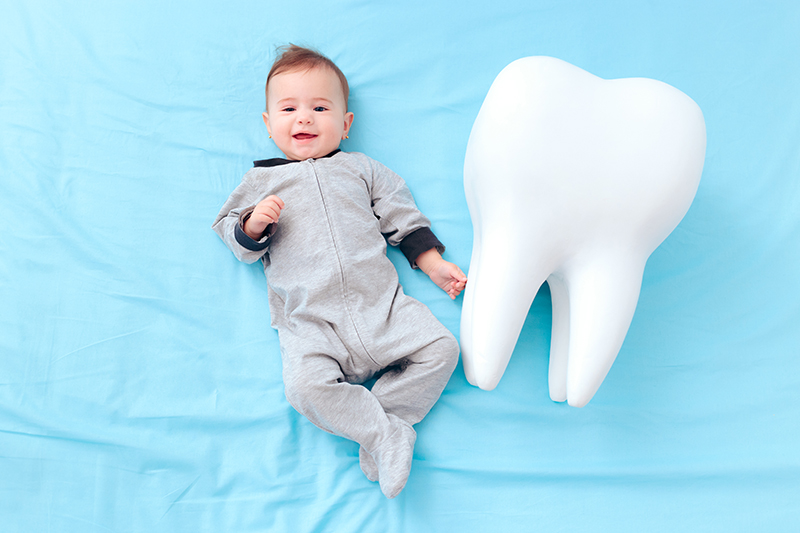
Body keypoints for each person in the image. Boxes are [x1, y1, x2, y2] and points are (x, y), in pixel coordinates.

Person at [212, 44, 466, 499]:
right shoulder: (259, 183)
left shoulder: (362, 170)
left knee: (444, 350)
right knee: (305, 389)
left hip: (382, 309)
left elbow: (403, 219)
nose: (304, 119)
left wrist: (434, 265)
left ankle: (383, 427)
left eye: (319, 107)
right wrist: (254, 224)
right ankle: (385, 434)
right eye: (288, 109)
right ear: (269, 125)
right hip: (311, 323)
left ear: (345, 124)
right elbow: (232, 236)